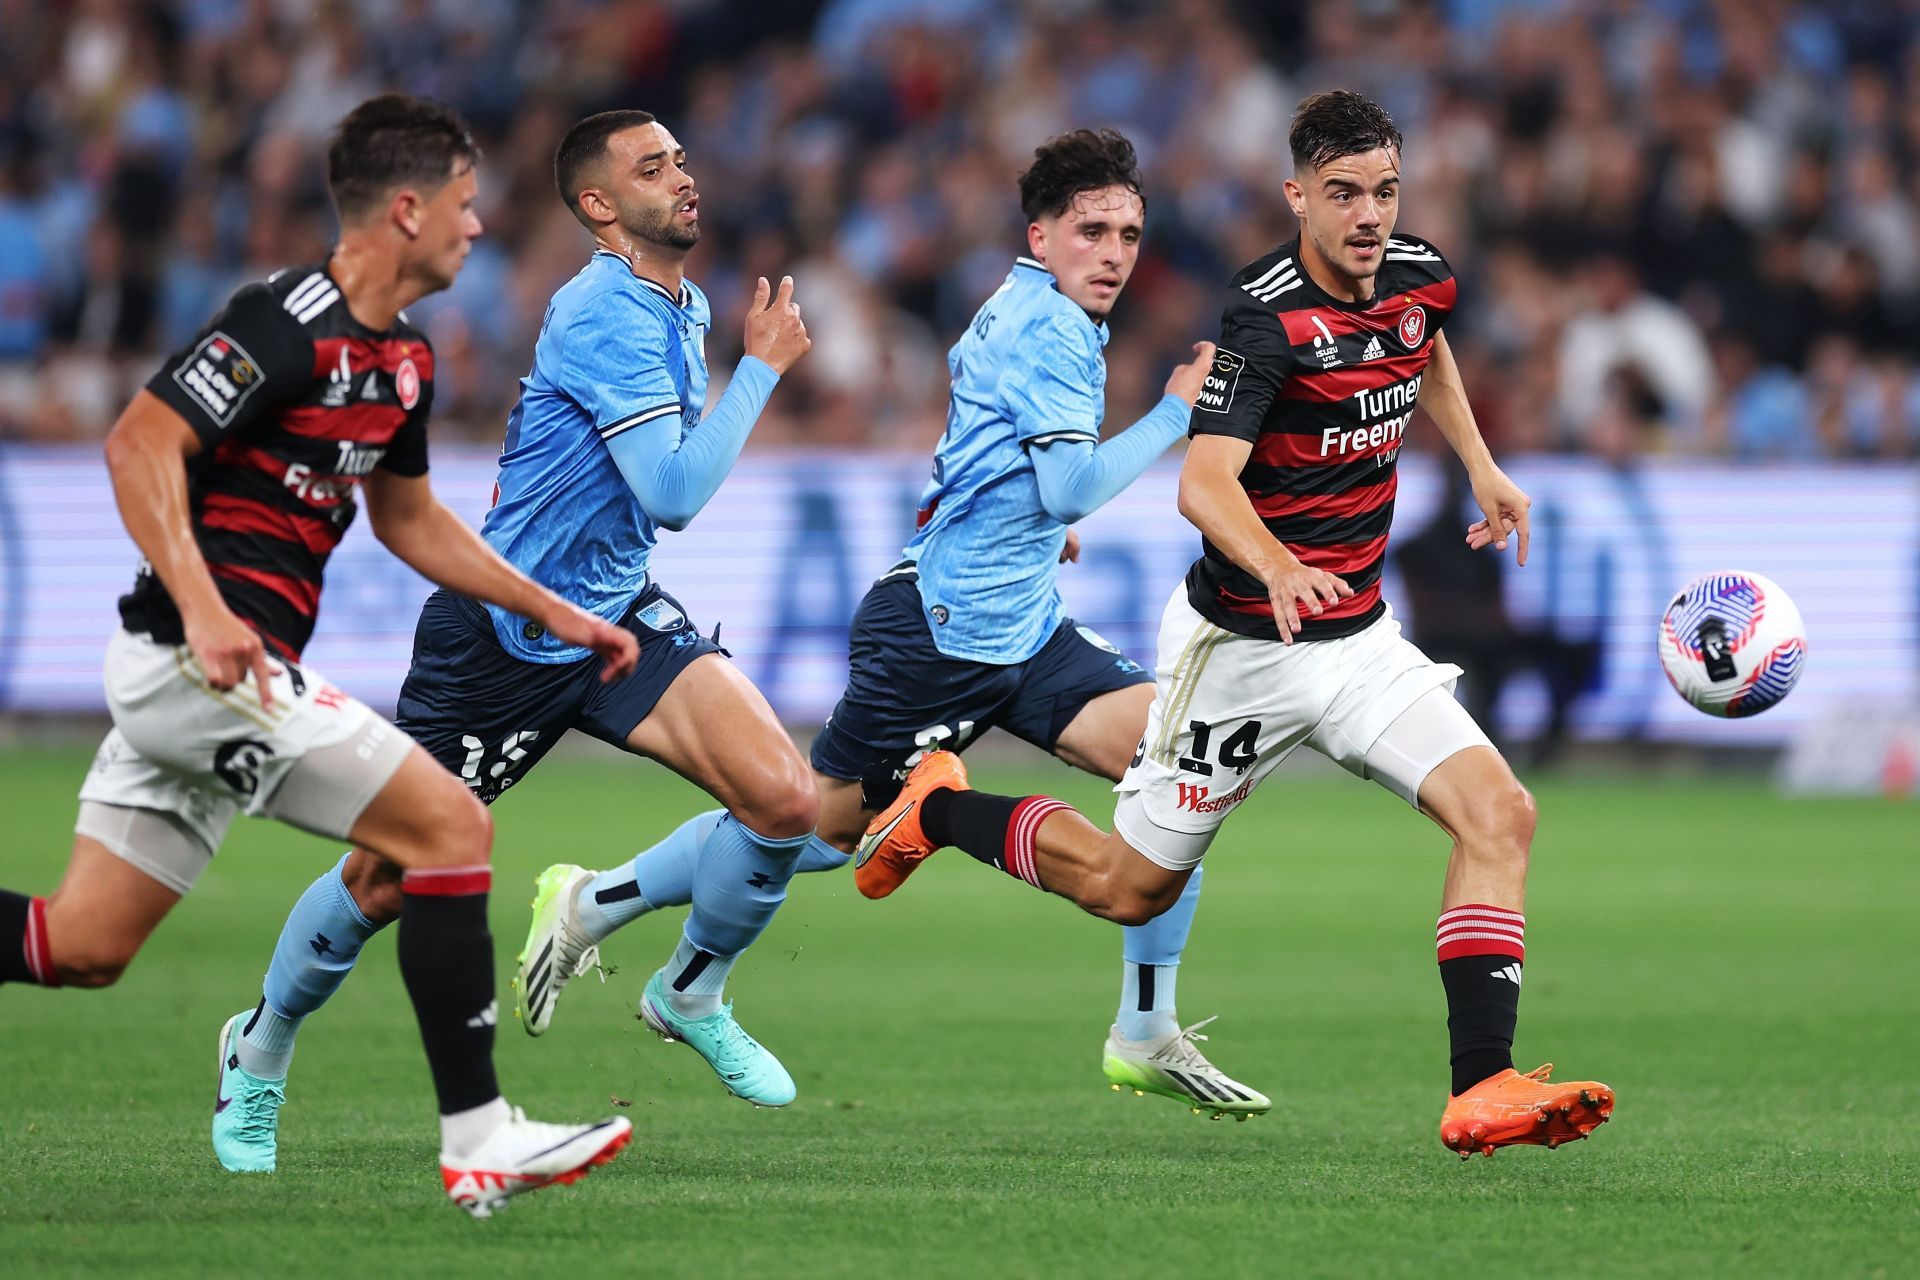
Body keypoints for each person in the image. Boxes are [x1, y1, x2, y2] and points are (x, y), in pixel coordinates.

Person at [858, 91, 1615, 1158]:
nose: (1369, 216)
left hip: (1357, 642)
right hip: (1243, 653)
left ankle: (1481, 1083)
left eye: (1385, 192)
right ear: (1297, 195)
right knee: (1129, 887)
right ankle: (939, 811)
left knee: (1502, 813)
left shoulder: (1418, 272)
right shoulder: (1263, 317)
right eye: (1343, 194)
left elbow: (1423, 343)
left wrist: (1484, 467)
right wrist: (1276, 564)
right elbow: (1204, 485)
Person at [0, 95, 641, 1217]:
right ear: (405, 208)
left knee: (82, 943)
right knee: (450, 824)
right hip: (196, 665)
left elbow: (411, 523)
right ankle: (481, 1136)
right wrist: (204, 608)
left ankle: (472, 1131)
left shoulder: (400, 358)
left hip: (208, 678)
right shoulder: (284, 318)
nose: (477, 226)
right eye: (462, 202)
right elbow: (139, 440)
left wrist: (561, 611)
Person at [206, 109, 817, 1175]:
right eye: (652, 165)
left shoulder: (684, 302)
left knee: (784, 799)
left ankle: (684, 985)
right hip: (503, 630)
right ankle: (257, 1047)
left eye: (681, 157)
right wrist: (760, 370)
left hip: (612, 612)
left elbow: (645, 507)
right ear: (596, 204)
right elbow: (672, 492)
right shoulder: (600, 312)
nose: (683, 176)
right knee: (383, 880)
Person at [808, 127, 1267, 1117]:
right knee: (802, 831)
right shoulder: (1047, 326)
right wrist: (1173, 410)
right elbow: (1065, 481)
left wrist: (1024, 529)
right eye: (1093, 229)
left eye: (1129, 233)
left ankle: (1145, 1028)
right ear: (1042, 234)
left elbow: (988, 459)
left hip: (1019, 626)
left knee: (1178, 762)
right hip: (942, 633)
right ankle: (602, 897)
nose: (1114, 251)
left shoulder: (1037, 313)